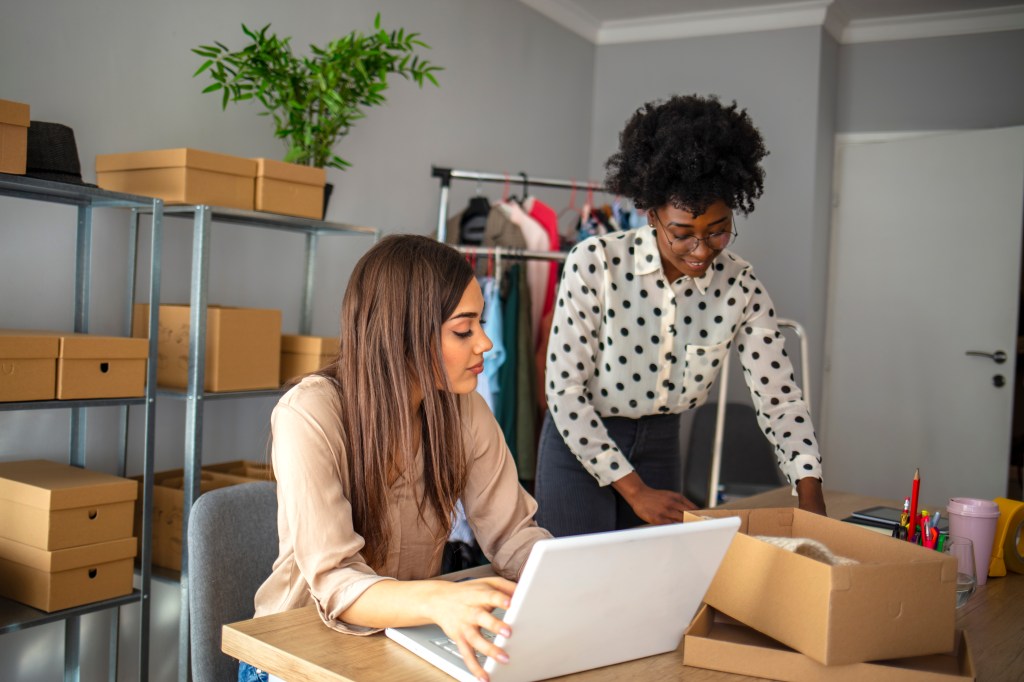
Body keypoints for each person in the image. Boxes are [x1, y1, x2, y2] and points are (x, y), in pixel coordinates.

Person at [240, 235, 551, 682]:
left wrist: (572, 581)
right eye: (464, 329)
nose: (485, 343)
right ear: (404, 334)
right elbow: (338, 582)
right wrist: (438, 600)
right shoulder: (309, 413)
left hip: (403, 639)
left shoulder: (465, 410)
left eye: (479, 324)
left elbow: (513, 535)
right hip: (293, 656)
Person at [535, 94, 827, 538]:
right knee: (576, 587)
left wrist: (809, 494)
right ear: (652, 215)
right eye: (683, 234)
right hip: (581, 441)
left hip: (661, 444)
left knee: (651, 588)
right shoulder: (595, 262)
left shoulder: (740, 286)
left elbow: (779, 399)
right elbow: (564, 391)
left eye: (718, 230)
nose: (703, 249)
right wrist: (635, 491)